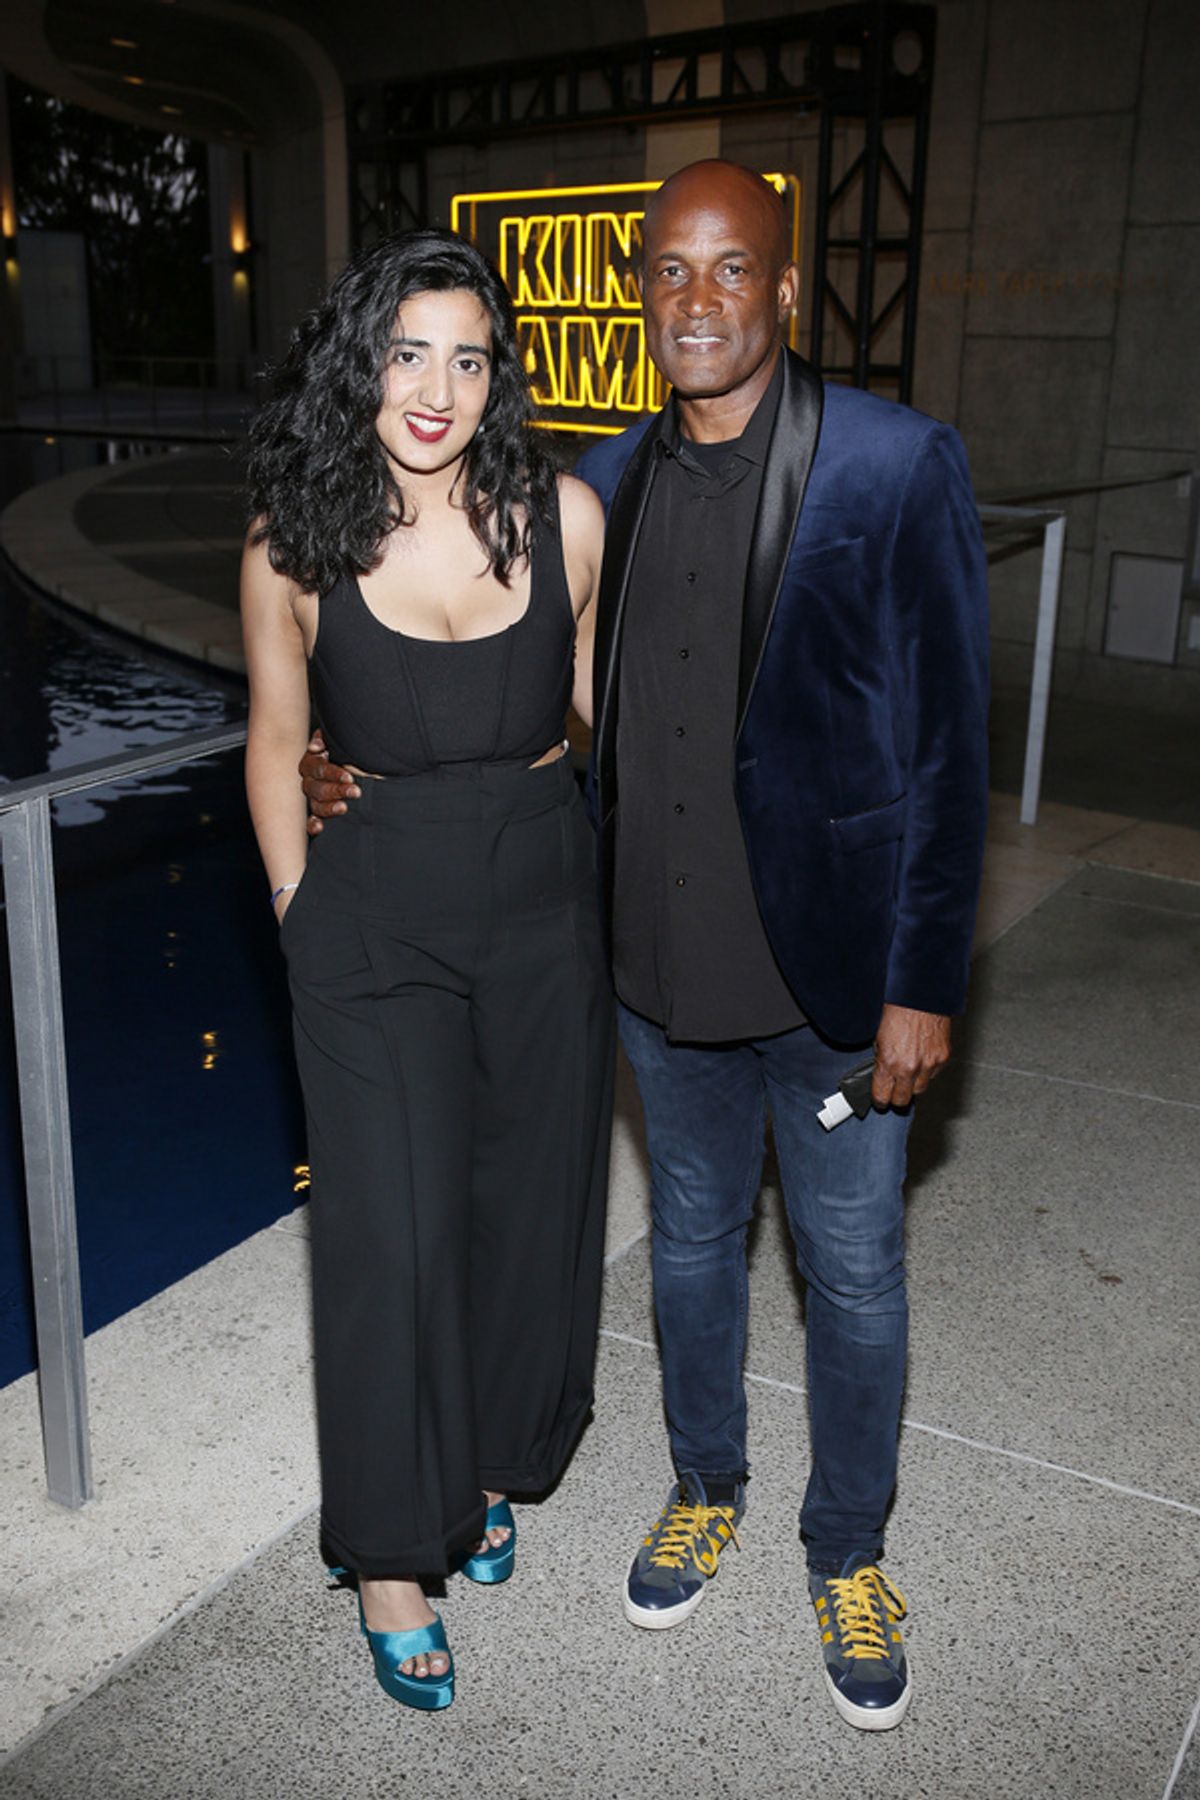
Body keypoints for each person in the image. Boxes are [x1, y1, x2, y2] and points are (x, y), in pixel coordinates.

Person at [303, 160, 989, 1733]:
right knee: (687, 1248)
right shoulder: (596, 486)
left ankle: (849, 1549)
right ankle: (704, 1487)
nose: (699, 299)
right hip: (658, 983)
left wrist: (924, 982)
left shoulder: (893, 463)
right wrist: (330, 757)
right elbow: (529, 705)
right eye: (670, 271)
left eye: (731, 268)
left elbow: (952, 751)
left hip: (833, 985)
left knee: (853, 1273)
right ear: (638, 297)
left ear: (785, 288)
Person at [241, 227, 613, 1715]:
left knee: (523, 1214)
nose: (436, 391)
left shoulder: (565, 518)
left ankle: (487, 1472)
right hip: (373, 915)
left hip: (542, 902)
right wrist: (297, 913)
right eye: (408, 354)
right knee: (388, 1233)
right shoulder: (292, 541)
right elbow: (277, 743)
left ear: (498, 378)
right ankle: (392, 1558)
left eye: (467, 359)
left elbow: (612, 720)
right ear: (362, 364)